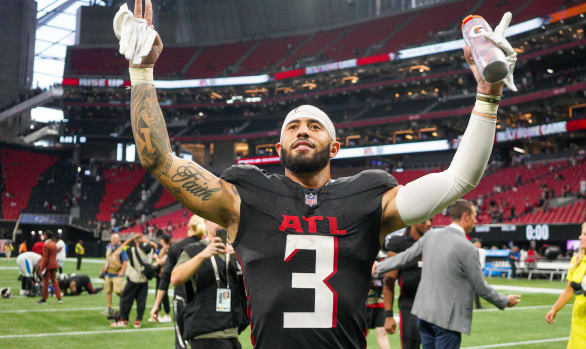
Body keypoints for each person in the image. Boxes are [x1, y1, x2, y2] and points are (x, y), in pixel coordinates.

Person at [121, 2, 516, 346]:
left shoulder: (369, 196)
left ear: (335, 146)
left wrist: (488, 93)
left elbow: (457, 181)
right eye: (293, 127)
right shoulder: (245, 195)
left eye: (314, 125)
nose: (303, 131)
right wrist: (141, 74)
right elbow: (160, 160)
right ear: (278, 150)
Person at [374, 200, 521, 349]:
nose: (476, 221)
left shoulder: (431, 236)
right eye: (474, 216)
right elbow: (481, 287)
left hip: (424, 314)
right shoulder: (467, 248)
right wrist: (504, 301)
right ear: (465, 217)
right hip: (447, 319)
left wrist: (378, 267)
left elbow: (404, 257)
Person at [170, 222, 245, 349]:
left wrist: (240, 257)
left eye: (221, 218)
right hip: (206, 333)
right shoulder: (193, 250)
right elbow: (175, 278)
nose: (219, 223)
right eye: (213, 219)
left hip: (232, 332)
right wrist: (203, 255)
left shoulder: (237, 251)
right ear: (205, 221)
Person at [150, 215, 207, 349]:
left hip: (182, 299)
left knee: (181, 344)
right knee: (203, 340)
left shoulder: (176, 247)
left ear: (188, 227)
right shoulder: (207, 247)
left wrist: (156, 305)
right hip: (204, 300)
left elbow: (165, 278)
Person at [383, 221, 432, 349]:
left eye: (431, 220)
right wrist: (388, 315)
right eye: (424, 220)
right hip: (409, 308)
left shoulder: (434, 242)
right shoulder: (398, 244)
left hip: (433, 308)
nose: (429, 224)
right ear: (414, 222)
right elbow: (389, 280)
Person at [112, 234, 158, 328]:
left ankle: (123, 320)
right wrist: (147, 241)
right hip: (144, 279)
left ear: (137, 242)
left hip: (133, 279)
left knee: (125, 299)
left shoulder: (132, 250)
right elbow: (155, 246)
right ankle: (138, 321)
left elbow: (120, 249)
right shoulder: (150, 250)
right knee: (141, 301)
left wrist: (132, 239)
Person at [100, 233, 131, 317]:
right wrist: (103, 269)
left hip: (117, 273)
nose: (113, 240)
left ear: (118, 240)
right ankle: (109, 308)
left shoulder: (121, 249)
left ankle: (125, 304)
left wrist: (122, 271)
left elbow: (125, 262)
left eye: (115, 239)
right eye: (112, 238)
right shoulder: (109, 248)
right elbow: (107, 260)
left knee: (119, 291)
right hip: (108, 273)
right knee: (108, 291)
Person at [366, 251, 390, 349]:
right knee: (361, 334)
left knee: (382, 332)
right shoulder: (363, 250)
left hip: (379, 302)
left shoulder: (384, 254)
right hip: (363, 303)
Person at [150, 233, 172, 323]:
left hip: (164, 275)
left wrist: (155, 258)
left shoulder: (168, 249)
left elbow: (162, 262)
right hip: (160, 275)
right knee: (158, 295)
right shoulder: (163, 248)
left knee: (164, 296)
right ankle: (157, 314)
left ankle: (167, 315)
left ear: (163, 240)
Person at [38, 231, 62, 304]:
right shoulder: (54, 244)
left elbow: (45, 258)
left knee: (45, 282)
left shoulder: (46, 245)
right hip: (54, 264)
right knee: (54, 281)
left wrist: (42, 267)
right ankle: (59, 298)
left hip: (48, 266)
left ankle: (44, 299)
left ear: (46, 236)